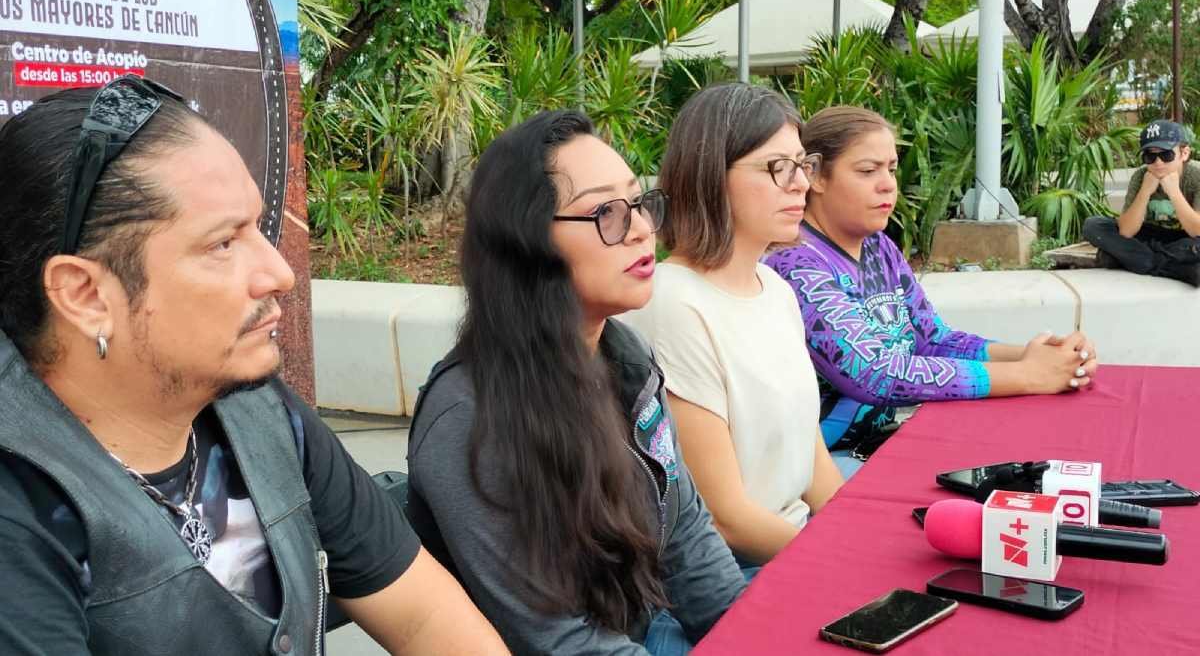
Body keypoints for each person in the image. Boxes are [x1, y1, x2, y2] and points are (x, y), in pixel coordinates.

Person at [0, 76, 506, 655]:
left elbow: (424, 616)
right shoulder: (20, 508)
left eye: (258, 229)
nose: (278, 274)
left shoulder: (258, 412)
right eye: (222, 244)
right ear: (86, 294)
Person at [405, 110, 747, 655]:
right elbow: (555, 640)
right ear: (528, 241)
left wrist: (750, 638)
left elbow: (685, 534)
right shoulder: (471, 417)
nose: (640, 228)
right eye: (605, 211)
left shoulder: (624, 356)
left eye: (638, 203)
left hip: (637, 630)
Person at [765, 106, 1099, 476]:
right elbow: (876, 374)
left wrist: (1037, 356)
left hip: (878, 445)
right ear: (814, 176)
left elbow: (933, 338)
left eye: (890, 169)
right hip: (819, 468)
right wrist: (1028, 375)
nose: (888, 184)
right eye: (867, 171)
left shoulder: (878, 247)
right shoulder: (795, 263)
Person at [620, 83, 844, 565]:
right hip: (735, 571)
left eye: (803, 165)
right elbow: (724, 518)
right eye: (776, 168)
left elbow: (815, 465)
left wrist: (859, 539)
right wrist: (839, 564)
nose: (802, 184)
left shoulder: (777, 291)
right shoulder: (673, 303)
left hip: (796, 542)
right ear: (711, 176)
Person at [1082, 119, 1200, 286]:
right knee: (1093, 225)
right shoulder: (1141, 177)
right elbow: (1126, 232)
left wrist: (1174, 192)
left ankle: (1130, 259)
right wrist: (1145, 191)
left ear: (1184, 153)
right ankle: (1176, 268)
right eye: (1150, 156)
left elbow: (1197, 230)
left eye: (1166, 155)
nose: (1158, 162)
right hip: (1150, 235)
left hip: (1185, 238)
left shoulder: (1196, 176)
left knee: (1109, 257)